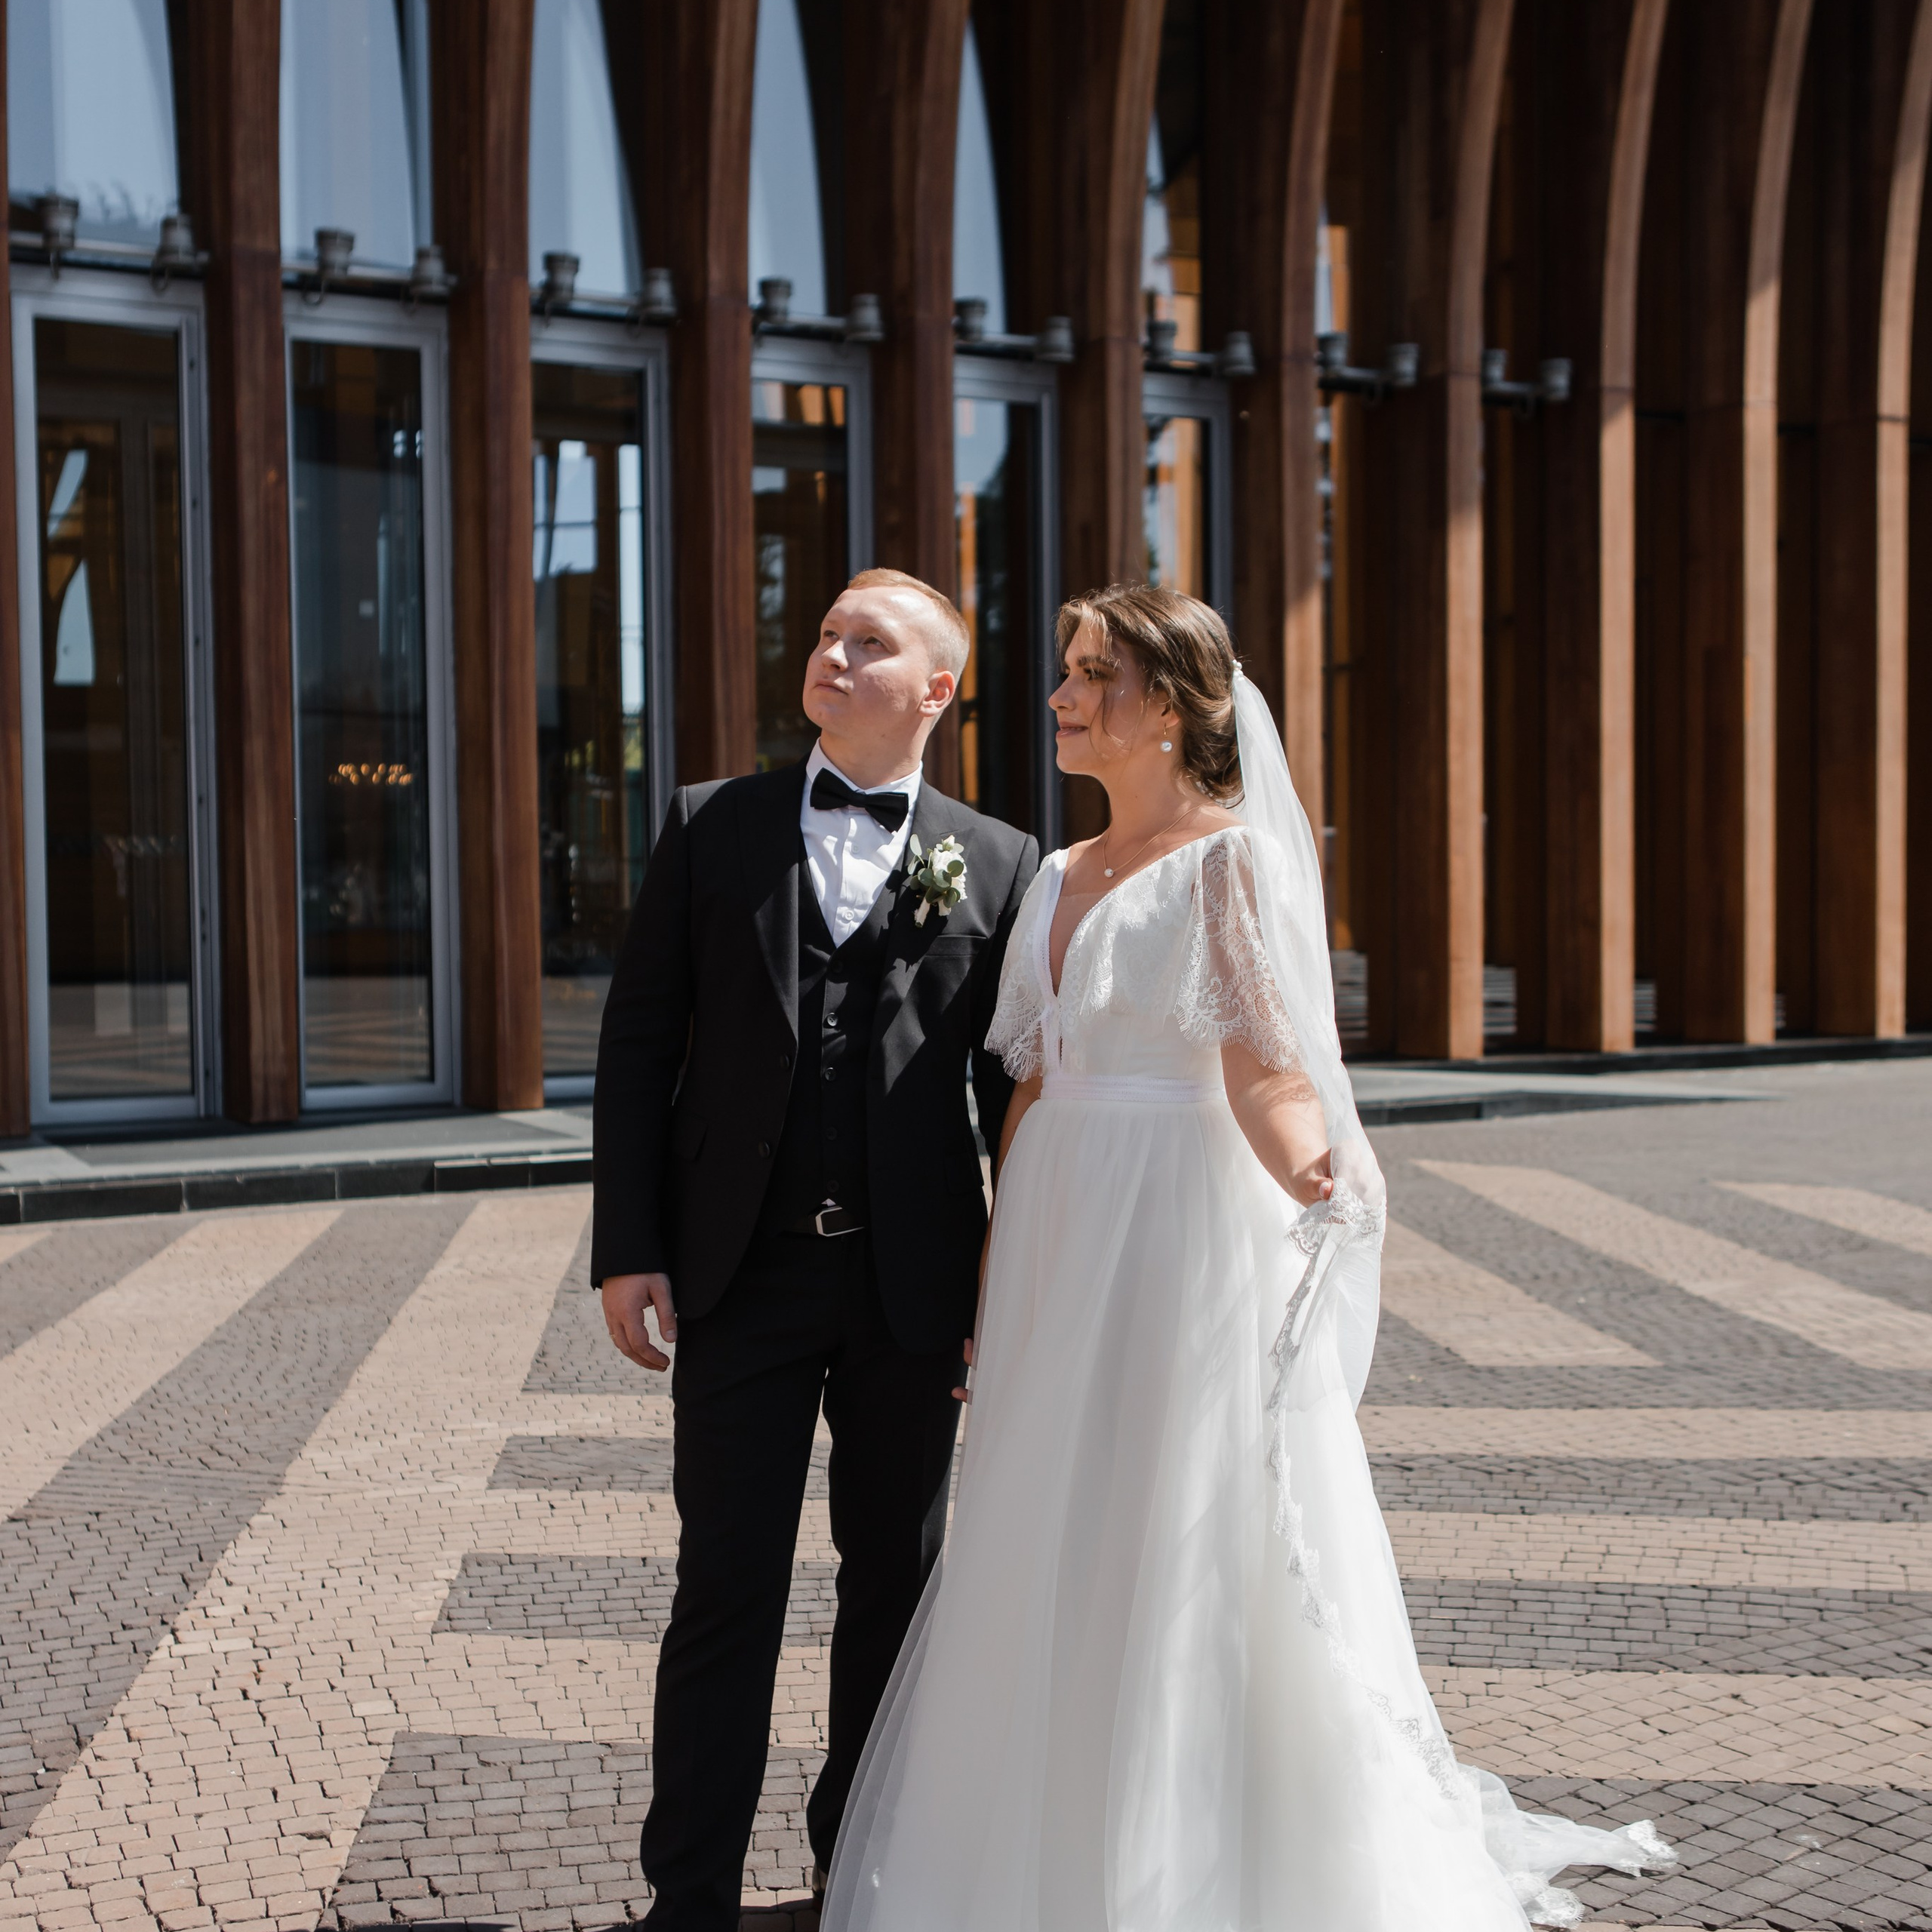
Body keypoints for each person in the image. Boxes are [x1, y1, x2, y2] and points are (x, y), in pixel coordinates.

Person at [820, 584, 1675, 1931]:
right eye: (1066, 669)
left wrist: (1318, 1170)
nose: (1060, 696)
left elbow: (1266, 1066)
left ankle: (1184, 1864)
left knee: (1169, 1522)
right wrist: (995, 1283)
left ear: (1168, 705)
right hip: (1057, 1225)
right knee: (1048, 1525)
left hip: (1174, 1226)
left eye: (1092, 674)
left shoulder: (1230, 863)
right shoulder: (1056, 870)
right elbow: (1034, 1080)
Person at [592, 568, 1038, 1930]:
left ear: (937, 689)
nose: (832, 654)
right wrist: (628, 1244)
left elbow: (1009, 1097)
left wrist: (1003, 1288)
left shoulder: (1002, 860)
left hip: (912, 1291)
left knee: (893, 1590)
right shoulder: (708, 825)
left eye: (870, 642)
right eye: (828, 634)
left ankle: (862, 1878)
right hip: (740, 1275)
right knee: (723, 1586)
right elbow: (639, 1043)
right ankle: (690, 1900)